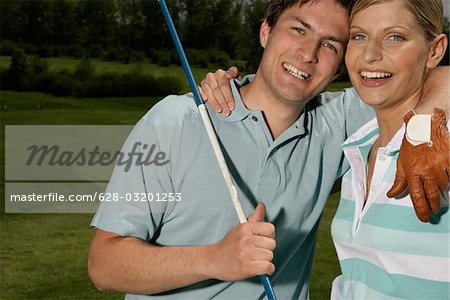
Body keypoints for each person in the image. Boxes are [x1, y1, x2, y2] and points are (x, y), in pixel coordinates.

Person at [88, 0, 448, 299]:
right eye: (298, 29)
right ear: (265, 32)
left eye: (330, 45)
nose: (308, 54)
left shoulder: (338, 123)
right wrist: (214, 260)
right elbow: (104, 264)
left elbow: (430, 71)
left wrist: (421, 126)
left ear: (342, 65)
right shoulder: (175, 121)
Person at [330, 0, 449, 298]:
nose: (370, 55)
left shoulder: (441, 147)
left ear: (434, 51)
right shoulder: (358, 150)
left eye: (395, 37)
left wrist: (421, 129)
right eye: (359, 36)